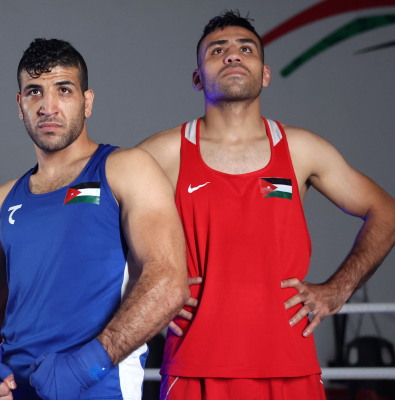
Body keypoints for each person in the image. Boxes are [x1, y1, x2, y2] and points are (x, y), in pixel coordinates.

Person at [136, 11, 395, 400]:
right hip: (195, 366)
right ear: (197, 78)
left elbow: (386, 212)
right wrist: (149, 294)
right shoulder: (164, 152)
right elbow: (96, 223)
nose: (232, 55)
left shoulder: (302, 149)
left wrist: (338, 289)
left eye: (246, 49)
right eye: (217, 50)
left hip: (291, 367)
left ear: (266, 73)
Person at [0, 38, 189, 400]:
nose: (48, 106)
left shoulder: (126, 169)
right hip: (14, 391)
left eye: (63, 90)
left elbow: (170, 282)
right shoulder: (1, 200)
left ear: (87, 101)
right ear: (20, 105)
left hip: (102, 388)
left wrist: (85, 368)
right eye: (34, 92)